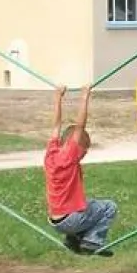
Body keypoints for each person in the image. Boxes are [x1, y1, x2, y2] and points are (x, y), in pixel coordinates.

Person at [45, 85, 118, 257]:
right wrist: (85, 96)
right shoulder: (70, 156)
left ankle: (73, 240)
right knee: (109, 207)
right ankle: (92, 242)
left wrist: (57, 97)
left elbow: (56, 125)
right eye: (84, 149)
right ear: (75, 145)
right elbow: (80, 126)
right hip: (71, 220)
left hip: (55, 221)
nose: (84, 153)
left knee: (88, 203)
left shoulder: (50, 154)